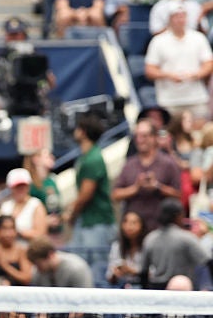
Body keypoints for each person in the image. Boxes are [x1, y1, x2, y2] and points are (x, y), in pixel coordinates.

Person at [0, 16, 55, 130]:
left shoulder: (35, 56)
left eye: (17, 34)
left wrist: (48, 78)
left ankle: (47, 135)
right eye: (11, 35)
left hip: (33, 96)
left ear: (24, 35)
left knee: (51, 106)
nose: (14, 38)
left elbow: (50, 83)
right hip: (4, 96)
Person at [64, 112, 116, 285]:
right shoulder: (86, 157)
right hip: (87, 221)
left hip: (97, 223)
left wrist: (71, 214)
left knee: (97, 271)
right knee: (79, 268)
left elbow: (86, 194)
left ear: (84, 132)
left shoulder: (93, 159)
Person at [144, 0, 213, 127]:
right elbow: (150, 70)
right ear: (169, 19)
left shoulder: (198, 38)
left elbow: (209, 64)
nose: (180, 20)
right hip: (169, 100)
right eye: (176, 16)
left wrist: (196, 74)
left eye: (182, 16)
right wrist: (169, 75)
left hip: (196, 98)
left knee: (201, 132)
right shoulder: (158, 41)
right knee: (170, 132)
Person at [27, 236, 102, 318]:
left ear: (50, 255)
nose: (37, 268)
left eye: (38, 263)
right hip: (58, 315)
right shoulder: (38, 273)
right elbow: (41, 304)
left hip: (86, 316)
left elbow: (81, 306)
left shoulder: (76, 268)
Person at [112, 118, 182, 231]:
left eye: (144, 136)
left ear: (154, 137)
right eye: (137, 136)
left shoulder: (168, 163)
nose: (140, 140)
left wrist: (158, 187)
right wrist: (135, 188)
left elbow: (178, 194)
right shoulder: (129, 164)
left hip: (161, 228)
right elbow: (115, 195)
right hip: (134, 231)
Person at [140, 197, 212, 288]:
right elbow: (208, 261)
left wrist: (145, 291)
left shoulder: (150, 238)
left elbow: (143, 271)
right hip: (182, 289)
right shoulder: (186, 238)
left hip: (157, 289)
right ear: (178, 216)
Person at [0, 167, 48, 242]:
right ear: (10, 188)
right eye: (17, 186)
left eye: (23, 186)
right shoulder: (5, 207)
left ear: (28, 187)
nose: (21, 189)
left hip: (31, 247)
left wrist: (18, 233)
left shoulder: (36, 204)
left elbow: (40, 234)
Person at [107, 209, 149, 288]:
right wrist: (115, 274)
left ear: (142, 225)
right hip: (122, 287)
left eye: (134, 222)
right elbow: (109, 276)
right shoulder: (117, 246)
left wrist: (133, 271)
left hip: (144, 287)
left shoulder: (148, 245)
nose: (129, 227)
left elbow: (153, 274)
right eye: (126, 222)